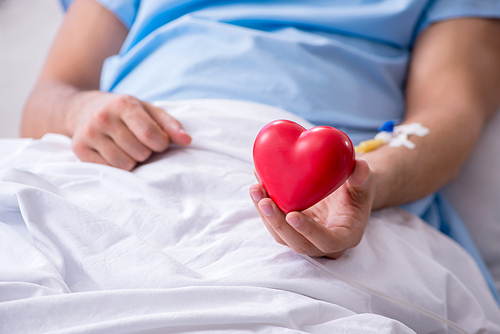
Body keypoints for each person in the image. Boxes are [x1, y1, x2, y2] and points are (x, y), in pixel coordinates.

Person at [21, 0, 500, 297]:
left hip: (339, 177)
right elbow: (49, 97)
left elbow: (450, 116)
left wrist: (364, 180)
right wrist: (81, 111)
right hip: (132, 162)